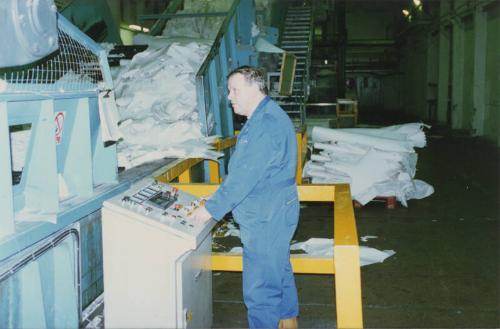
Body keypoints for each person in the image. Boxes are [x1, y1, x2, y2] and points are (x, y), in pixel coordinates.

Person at [189, 66, 300, 328]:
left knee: (261, 287)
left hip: (266, 215)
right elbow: (247, 172)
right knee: (278, 273)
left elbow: (243, 178)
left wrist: (209, 209)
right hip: (274, 209)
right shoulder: (266, 117)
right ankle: (289, 323)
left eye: (234, 90)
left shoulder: (264, 125)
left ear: (254, 88)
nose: (230, 97)